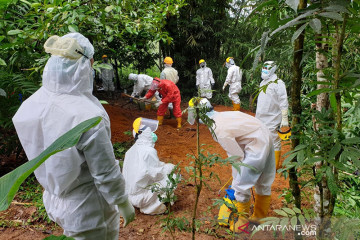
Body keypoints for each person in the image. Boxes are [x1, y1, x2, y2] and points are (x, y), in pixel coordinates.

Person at [12, 33, 135, 240]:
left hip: (55, 200)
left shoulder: (32, 104)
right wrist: (122, 201)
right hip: (89, 210)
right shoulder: (87, 115)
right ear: (84, 66)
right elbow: (104, 171)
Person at [187, 98, 275, 233]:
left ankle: (243, 222)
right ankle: (259, 218)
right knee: (263, 181)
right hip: (265, 135)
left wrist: (236, 183)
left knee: (241, 182)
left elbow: (237, 158)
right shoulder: (221, 116)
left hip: (257, 142)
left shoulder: (217, 128)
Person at [123, 118, 175, 214]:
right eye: (150, 132)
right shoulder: (148, 151)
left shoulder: (131, 150)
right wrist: (169, 168)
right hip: (141, 197)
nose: (153, 134)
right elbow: (156, 174)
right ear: (145, 133)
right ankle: (151, 208)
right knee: (172, 178)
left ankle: (149, 203)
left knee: (166, 170)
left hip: (129, 196)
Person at [255, 61, 289, 170]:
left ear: (273, 69)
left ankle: (274, 166)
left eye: (267, 67)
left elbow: (283, 101)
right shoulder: (263, 83)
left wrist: (284, 118)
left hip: (273, 118)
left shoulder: (278, 83)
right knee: (261, 139)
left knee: (274, 140)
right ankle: (264, 161)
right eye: (263, 67)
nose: (264, 69)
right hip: (260, 117)